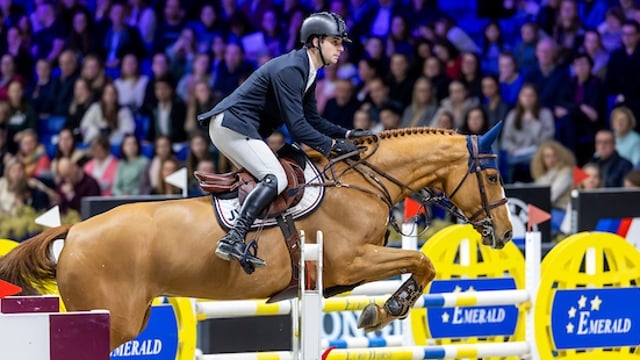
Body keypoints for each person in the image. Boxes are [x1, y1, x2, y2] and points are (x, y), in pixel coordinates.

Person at [197, 12, 368, 272]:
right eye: (335, 42)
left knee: (270, 175)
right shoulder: (291, 70)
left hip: (238, 126)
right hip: (231, 126)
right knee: (276, 177)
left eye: (340, 43)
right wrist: (332, 148)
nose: (341, 49)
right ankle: (233, 237)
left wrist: (345, 134)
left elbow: (313, 119)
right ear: (315, 41)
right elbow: (298, 129)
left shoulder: (308, 70)